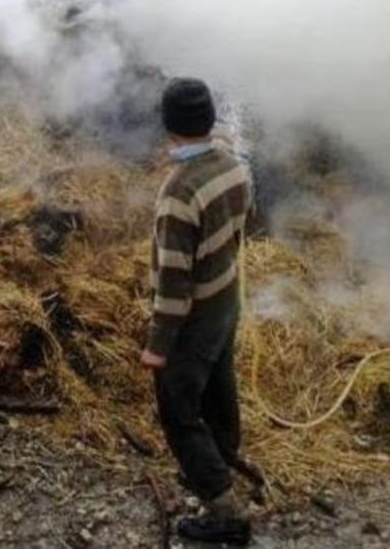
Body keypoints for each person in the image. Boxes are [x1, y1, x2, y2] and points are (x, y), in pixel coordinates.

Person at [141, 77, 254, 546]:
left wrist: (157, 347)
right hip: (226, 299)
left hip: (193, 316)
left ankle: (223, 508)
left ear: (169, 126)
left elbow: (174, 284)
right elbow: (242, 227)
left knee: (179, 408)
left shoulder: (178, 193)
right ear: (209, 118)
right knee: (219, 388)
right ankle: (221, 460)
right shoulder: (234, 167)